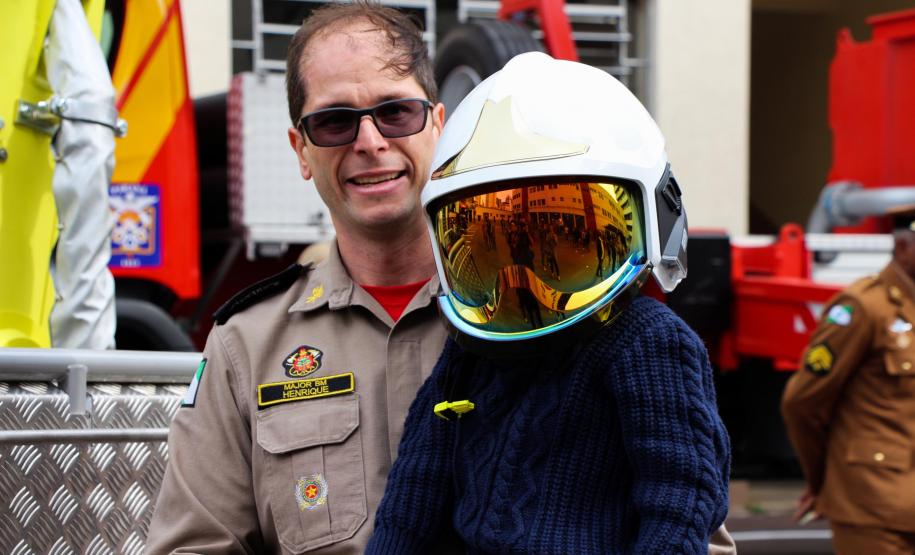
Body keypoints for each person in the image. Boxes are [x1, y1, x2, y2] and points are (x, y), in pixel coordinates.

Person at [365, 52, 731, 554]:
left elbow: (680, 501)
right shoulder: (470, 352)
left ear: (653, 214)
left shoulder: (649, 342)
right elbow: (414, 494)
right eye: (491, 246)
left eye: (561, 243)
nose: (522, 284)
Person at [145, 3, 450, 552]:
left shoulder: (524, 311)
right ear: (301, 151)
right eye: (335, 120)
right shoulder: (246, 347)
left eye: (396, 112)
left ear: (438, 126)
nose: (370, 141)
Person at [782, 205, 915, 554]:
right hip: (874, 507)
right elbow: (803, 403)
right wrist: (823, 478)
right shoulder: (862, 307)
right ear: (903, 249)